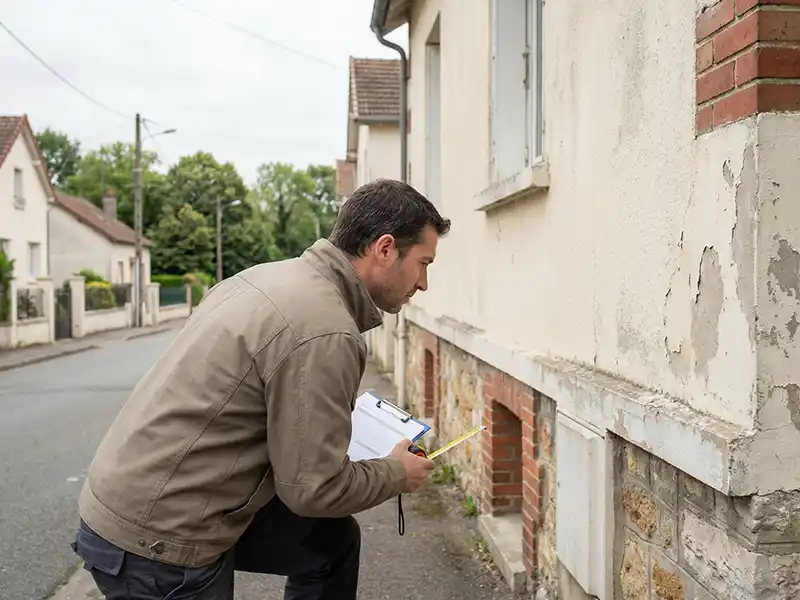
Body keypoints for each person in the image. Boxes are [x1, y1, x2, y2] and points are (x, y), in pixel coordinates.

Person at [70, 178, 451, 600]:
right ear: (384, 249)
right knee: (323, 519)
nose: (424, 284)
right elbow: (315, 490)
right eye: (424, 263)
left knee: (330, 544)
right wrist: (396, 472)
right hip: (159, 541)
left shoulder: (265, 277)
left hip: (131, 500)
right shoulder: (325, 330)